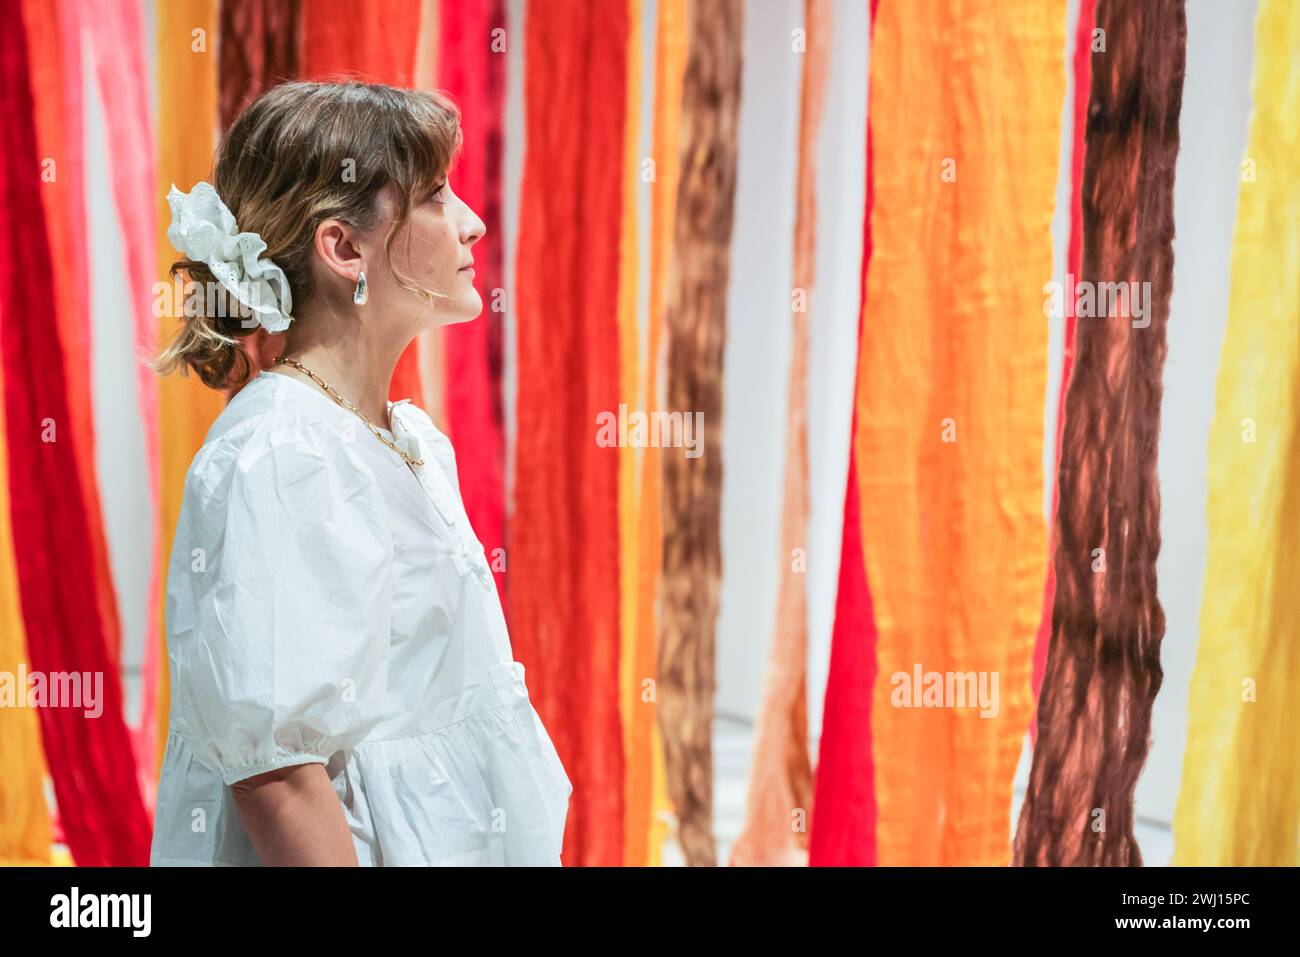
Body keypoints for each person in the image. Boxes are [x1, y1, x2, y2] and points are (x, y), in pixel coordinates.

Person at [148, 80, 571, 866]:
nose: (472, 222)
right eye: (437, 195)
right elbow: (277, 773)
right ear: (344, 248)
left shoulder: (402, 435)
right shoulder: (281, 454)